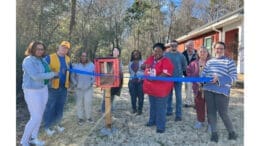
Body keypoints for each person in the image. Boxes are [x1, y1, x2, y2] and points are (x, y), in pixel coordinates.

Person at [20, 41, 58, 146]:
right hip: (32, 90)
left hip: (43, 89)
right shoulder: (28, 61)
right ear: (32, 49)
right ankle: (24, 142)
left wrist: (52, 75)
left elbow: (45, 73)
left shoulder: (42, 60)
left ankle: (33, 138)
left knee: (39, 115)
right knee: (35, 116)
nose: (40, 51)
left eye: (42, 49)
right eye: (38, 49)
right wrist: (52, 74)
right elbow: (35, 76)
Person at [201, 42, 237, 142]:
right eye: (217, 48)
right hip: (208, 89)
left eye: (221, 48)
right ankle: (214, 133)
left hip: (222, 91)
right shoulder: (209, 62)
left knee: (223, 113)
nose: (219, 50)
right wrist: (202, 80)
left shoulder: (229, 62)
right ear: (214, 49)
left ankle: (232, 132)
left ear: (224, 50)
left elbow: (234, 77)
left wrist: (219, 79)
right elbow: (203, 74)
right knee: (211, 112)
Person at [142, 43, 174, 133]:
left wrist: (153, 78)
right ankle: (152, 121)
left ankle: (160, 126)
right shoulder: (151, 59)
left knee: (161, 108)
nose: (157, 53)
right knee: (152, 106)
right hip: (151, 89)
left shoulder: (166, 61)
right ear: (153, 51)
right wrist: (144, 66)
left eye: (159, 51)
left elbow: (164, 74)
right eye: (155, 51)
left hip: (161, 89)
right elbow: (143, 66)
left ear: (163, 52)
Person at [43, 41, 71, 136]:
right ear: (58, 47)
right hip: (52, 87)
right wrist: (52, 75)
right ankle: (47, 127)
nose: (64, 49)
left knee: (60, 107)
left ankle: (57, 125)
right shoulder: (49, 58)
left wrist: (70, 84)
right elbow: (43, 71)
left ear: (68, 50)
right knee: (50, 107)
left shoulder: (68, 59)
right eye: (63, 46)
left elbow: (69, 72)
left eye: (66, 48)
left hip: (64, 87)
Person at [186, 46, 210, 129]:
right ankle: (200, 120)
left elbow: (216, 74)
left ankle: (211, 123)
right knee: (199, 105)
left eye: (204, 52)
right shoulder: (193, 63)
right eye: (201, 52)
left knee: (211, 106)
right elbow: (188, 72)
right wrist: (195, 81)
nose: (202, 53)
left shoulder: (212, 63)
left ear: (207, 53)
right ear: (198, 54)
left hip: (210, 88)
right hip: (198, 88)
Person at [164, 40, 187, 121]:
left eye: (175, 45)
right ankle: (169, 110)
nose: (173, 46)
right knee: (168, 96)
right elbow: (162, 65)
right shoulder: (165, 55)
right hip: (168, 79)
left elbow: (185, 66)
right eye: (172, 45)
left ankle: (178, 114)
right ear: (170, 46)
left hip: (178, 79)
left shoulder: (181, 56)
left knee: (178, 97)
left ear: (177, 46)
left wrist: (180, 72)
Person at [71, 51, 95, 125]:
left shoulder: (92, 65)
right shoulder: (75, 65)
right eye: (82, 56)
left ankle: (89, 117)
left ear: (88, 57)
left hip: (88, 88)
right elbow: (72, 76)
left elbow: (95, 75)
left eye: (85, 56)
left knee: (88, 103)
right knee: (79, 103)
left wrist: (91, 83)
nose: (84, 57)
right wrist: (75, 84)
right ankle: (80, 118)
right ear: (80, 57)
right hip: (79, 88)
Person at [101, 47, 123, 113]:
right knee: (106, 97)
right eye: (114, 50)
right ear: (112, 52)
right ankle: (103, 110)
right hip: (108, 81)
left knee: (112, 96)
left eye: (117, 51)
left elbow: (120, 70)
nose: (115, 52)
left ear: (118, 53)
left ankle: (110, 110)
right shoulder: (108, 58)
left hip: (116, 81)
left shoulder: (119, 60)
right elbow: (103, 66)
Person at [128, 50, 144, 115]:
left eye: (137, 54)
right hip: (132, 82)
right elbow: (130, 71)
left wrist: (141, 78)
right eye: (134, 54)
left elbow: (145, 71)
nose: (135, 55)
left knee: (141, 96)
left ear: (139, 54)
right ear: (132, 55)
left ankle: (140, 110)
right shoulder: (130, 62)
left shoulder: (143, 62)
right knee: (133, 96)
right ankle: (134, 109)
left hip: (140, 81)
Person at [182, 40, 197, 107]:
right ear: (186, 46)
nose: (190, 47)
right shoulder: (183, 54)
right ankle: (188, 102)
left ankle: (196, 103)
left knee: (196, 89)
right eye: (188, 46)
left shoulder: (197, 53)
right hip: (186, 75)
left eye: (191, 45)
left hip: (196, 75)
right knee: (188, 88)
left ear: (193, 46)